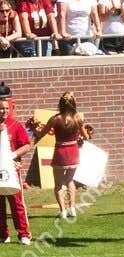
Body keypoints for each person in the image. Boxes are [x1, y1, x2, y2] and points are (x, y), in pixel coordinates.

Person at [39, 91, 88, 220]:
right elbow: (86, 136)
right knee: (70, 181)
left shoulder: (55, 119)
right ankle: (72, 208)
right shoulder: (78, 118)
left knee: (58, 183)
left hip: (60, 151)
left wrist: (34, 130)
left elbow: (41, 133)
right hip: (73, 151)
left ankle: (63, 210)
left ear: (60, 103)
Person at [0, 85, 32, 245]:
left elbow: (26, 145)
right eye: (1, 108)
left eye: (6, 108)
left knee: (17, 202)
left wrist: (13, 155)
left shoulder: (15, 125)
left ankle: (24, 234)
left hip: (12, 170)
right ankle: (3, 234)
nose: (4, 111)